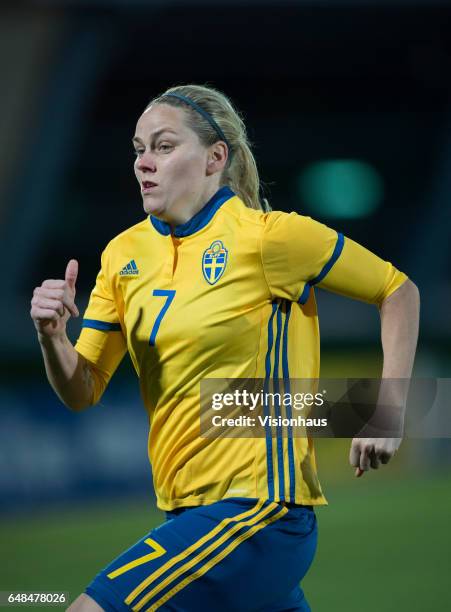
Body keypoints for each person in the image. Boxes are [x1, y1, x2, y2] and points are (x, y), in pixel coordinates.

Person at [30, 84, 420, 612]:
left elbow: (397, 291)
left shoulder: (269, 239)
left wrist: (387, 410)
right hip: (185, 514)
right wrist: (53, 338)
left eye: (164, 147)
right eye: (139, 148)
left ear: (216, 158)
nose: (145, 163)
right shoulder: (123, 254)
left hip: (259, 513)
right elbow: (83, 389)